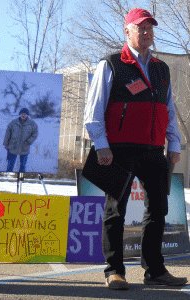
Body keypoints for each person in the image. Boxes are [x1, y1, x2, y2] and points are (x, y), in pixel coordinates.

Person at [84, 8, 188, 290]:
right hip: (118, 149)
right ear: (127, 31)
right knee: (116, 208)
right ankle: (114, 270)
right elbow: (93, 112)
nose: (147, 33)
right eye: (141, 28)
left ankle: (154, 269)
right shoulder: (111, 64)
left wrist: (174, 144)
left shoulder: (160, 68)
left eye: (150, 29)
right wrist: (102, 145)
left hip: (154, 150)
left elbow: (166, 109)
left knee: (158, 208)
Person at [3, 108, 38, 173]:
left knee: (23, 165)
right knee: (10, 164)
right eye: (22, 114)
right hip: (13, 146)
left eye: (25, 114)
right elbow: (8, 133)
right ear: (20, 114)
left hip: (24, 147)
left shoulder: (32, 124)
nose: (23, 115)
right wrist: (6, 144)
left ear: (27, 115)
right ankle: (8, 176)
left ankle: (21, 177)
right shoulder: (13, 123)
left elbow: (35, 134)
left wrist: (29, 141)